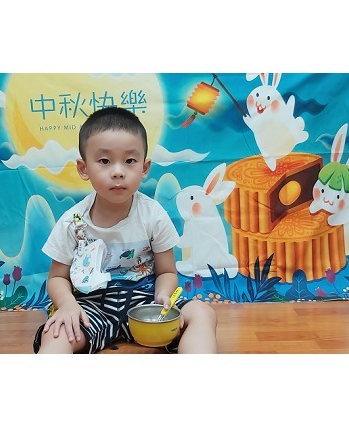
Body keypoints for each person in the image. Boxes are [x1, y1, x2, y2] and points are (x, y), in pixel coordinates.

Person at [33, 106, 218, 354]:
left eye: (130, 161)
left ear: (144, 167)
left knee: (203, 313)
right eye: (104, 161)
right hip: (92, 308)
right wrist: (67, 305)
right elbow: (57, 278)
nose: (118, 171)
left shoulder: (153, 215)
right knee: (55, 333)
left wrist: (163, 295)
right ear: (84, 168)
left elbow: (166, 271)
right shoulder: (72, 221)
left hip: (146, 303)